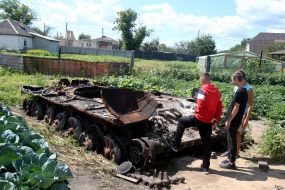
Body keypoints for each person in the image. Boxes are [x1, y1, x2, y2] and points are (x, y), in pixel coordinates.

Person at [166, 72, 223, 172]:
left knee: (182, 122)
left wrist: (204, 116)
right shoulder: (217, 92)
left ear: (203, 79)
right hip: (209, 122)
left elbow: (200, 107)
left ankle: (176, 144)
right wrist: (215, 120)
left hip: (200, 118)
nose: (200, 82)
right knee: (206, 143)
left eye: (200, 80)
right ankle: (205, 166)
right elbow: (219, 108)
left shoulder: (202, 90)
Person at [219, 71, 248, 170]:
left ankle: (231, 162)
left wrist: (229, 120)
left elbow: (236, 107)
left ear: (236, 79)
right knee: (232, 138)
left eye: (233, 79)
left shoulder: (240, 91)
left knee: (232, 139)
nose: (232, 81)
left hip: (235, 119)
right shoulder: (243, 90)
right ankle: (230, 158)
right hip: (237, 118)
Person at [221, 70, 253, 157]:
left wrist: (246, 118)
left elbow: (250, 105)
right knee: (230, 131)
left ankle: (236, 153)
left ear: (240, 78)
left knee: (237, 133)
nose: (233, 82)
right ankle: (230, 150)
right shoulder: (236, 87)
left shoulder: (249, 89)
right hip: (234, 112)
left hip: (241, 114)